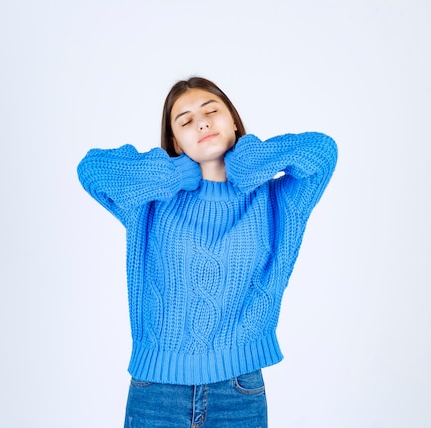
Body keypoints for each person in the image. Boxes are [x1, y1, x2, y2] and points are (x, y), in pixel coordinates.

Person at [77, 77, 338, 427]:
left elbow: (322, 151)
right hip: (156, 391)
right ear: (175, 140)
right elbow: (91, 170)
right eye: (184, 121)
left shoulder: (276, 200)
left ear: (233, 119)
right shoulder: (151, 200)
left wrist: (249, 161)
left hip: (238, 391)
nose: (200, 122)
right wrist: (173, 172)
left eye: (211, 111)